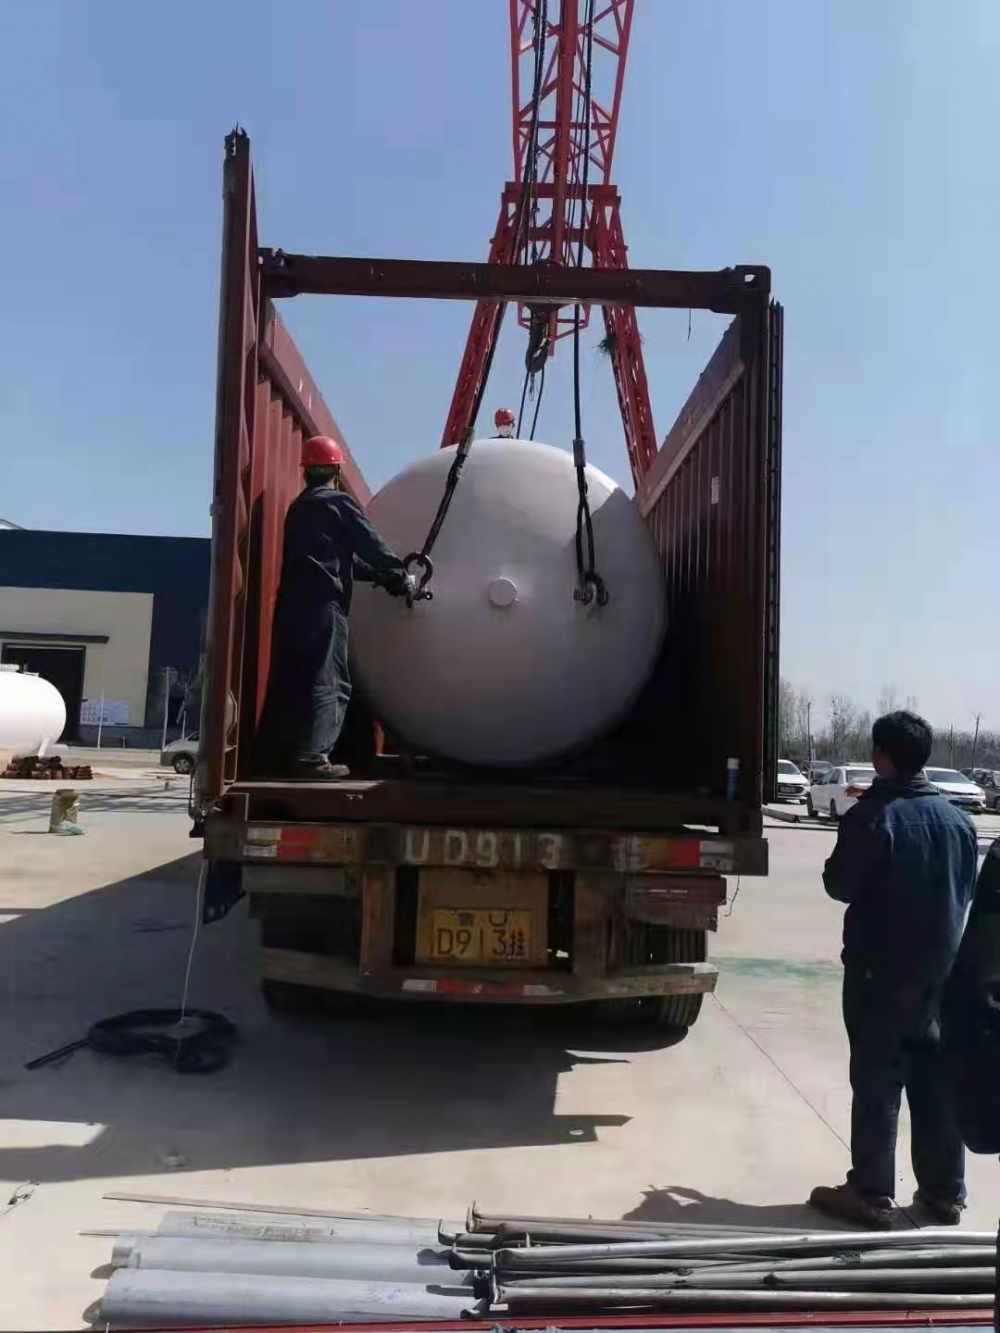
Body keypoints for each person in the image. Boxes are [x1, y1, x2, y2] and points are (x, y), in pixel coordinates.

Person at [809, 710, 978, 1228]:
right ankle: (944, 1195)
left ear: (882, 756)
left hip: (878, 977)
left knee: (878, 1083)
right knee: (934, 1085)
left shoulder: (873, 816)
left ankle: (871, 1193)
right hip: (942, 978)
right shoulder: (960, 822)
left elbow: (840, 884)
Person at [255, 435, 413, 780]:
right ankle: (312, 759)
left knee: (295, 680)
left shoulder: (299, 509)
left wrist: (380, 578)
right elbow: (369, 542)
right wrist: (400, 574)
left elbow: (339, 562)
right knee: (332, 681)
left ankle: (278, 758)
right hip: (325, 607)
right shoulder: (338, 503)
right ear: (337, 471)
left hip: (292, 610)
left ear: (306, 472)